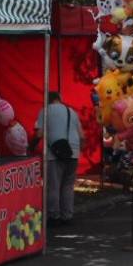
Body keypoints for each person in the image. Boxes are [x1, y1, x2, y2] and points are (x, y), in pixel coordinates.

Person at [32, 92, 84, 227]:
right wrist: (77, 149)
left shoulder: (44, 111)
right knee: (68, 185)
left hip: (54, 154)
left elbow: (39, 133)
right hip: (73, 151)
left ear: (48, 101)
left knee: (53, 186)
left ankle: (53, 217)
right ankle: (67, 216)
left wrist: (30, 147)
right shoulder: (71, 111)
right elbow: (82, 135)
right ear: (60, 99)